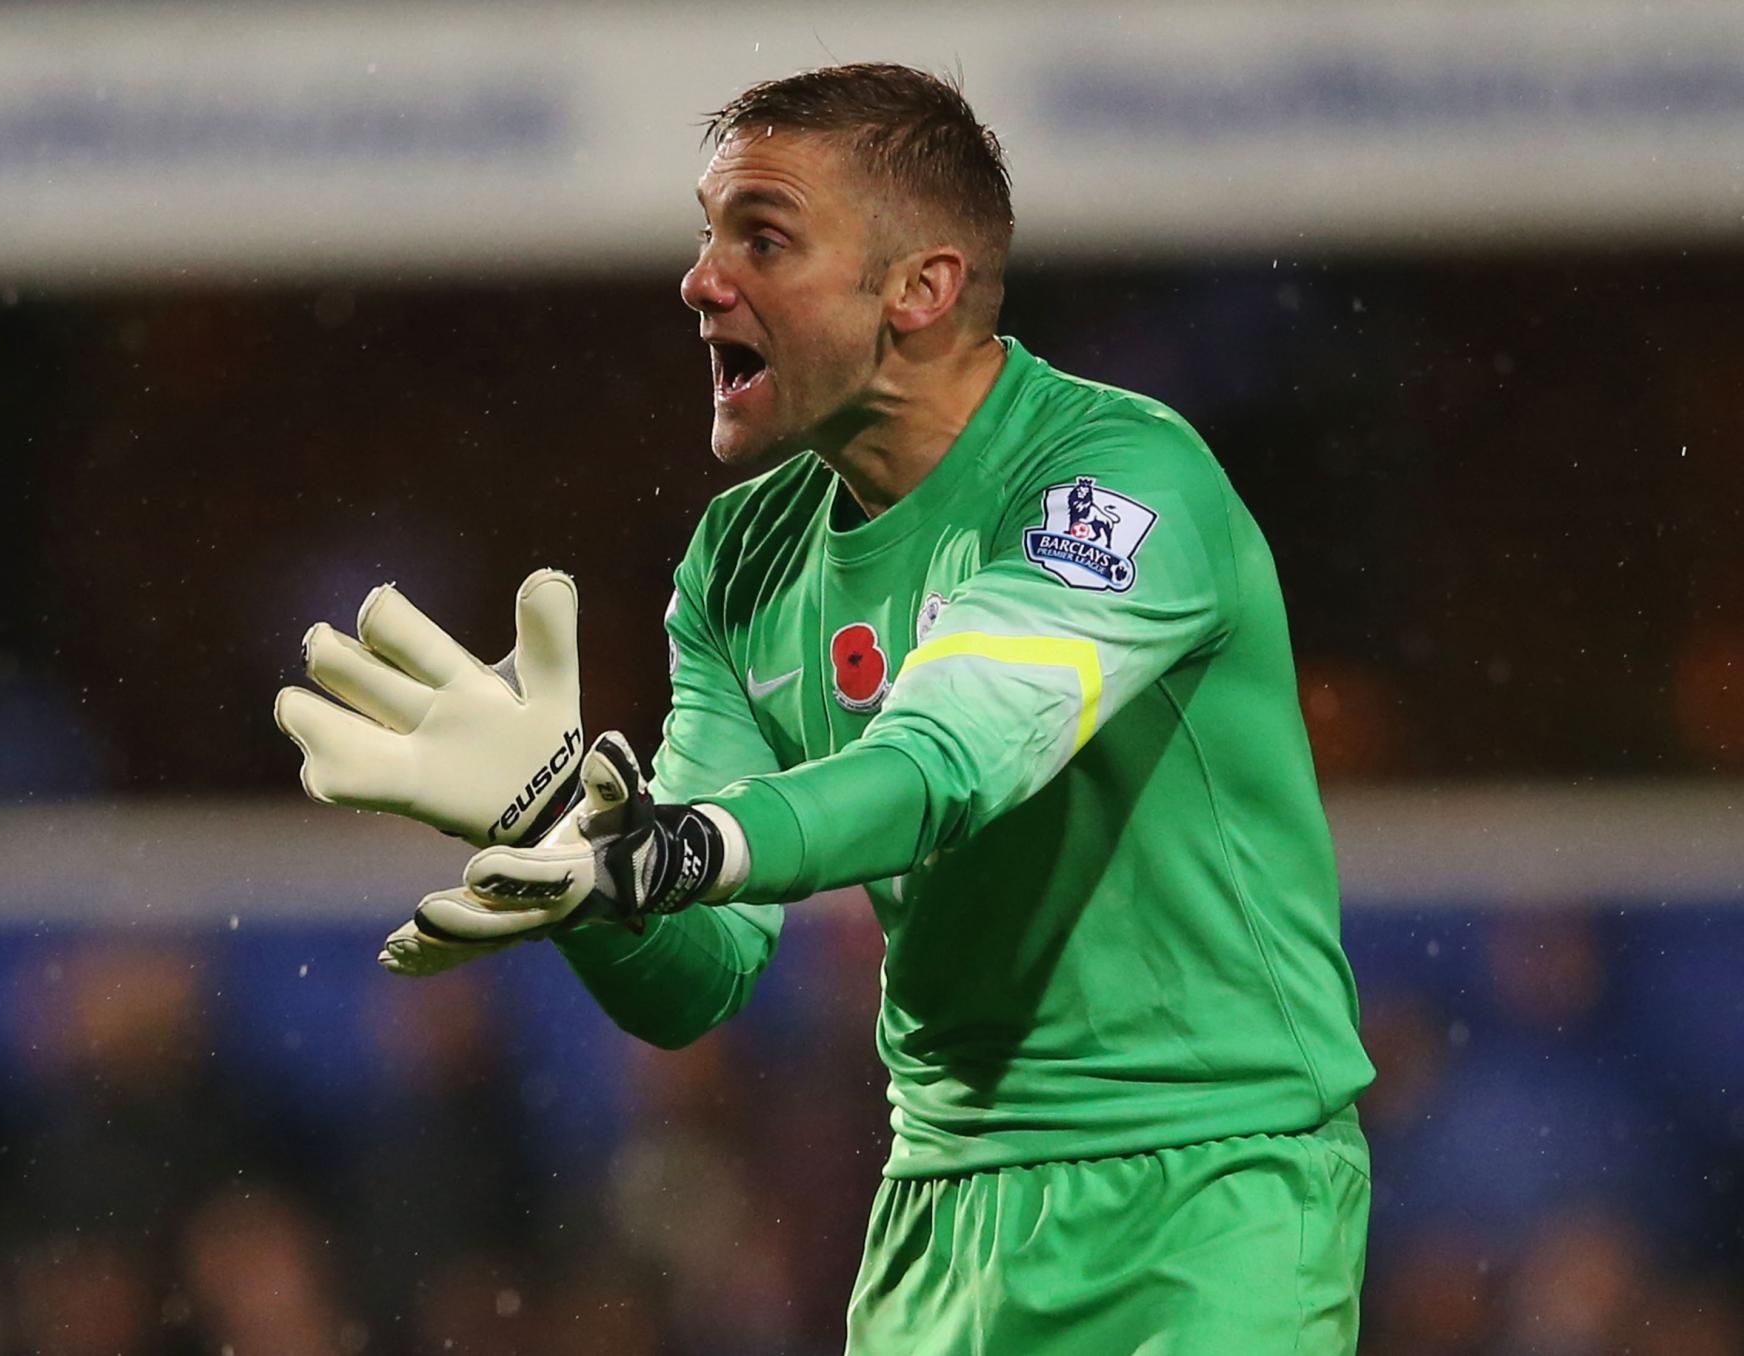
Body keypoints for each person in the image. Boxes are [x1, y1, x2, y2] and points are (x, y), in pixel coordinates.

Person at [276, 63, 1374, 1356]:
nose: (701, 281)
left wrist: (692, 843)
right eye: (708, 234)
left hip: (1210, 1192)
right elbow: (699, 976)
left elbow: (943, 763)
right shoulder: (741, 564)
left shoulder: (1115, 481)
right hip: (940, 1219)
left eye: (764, 238)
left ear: (921, 288)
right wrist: (567, 832)